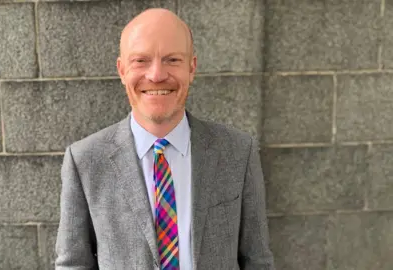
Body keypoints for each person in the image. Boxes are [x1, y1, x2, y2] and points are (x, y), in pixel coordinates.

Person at [55, 8, 275, 270]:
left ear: (192, 67)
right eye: (141, 60)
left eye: (172, 60)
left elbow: (257, 260)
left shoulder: (238, 152)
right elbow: (73, 264)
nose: (157, 74)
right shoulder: (85, 161)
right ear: (122, 69)